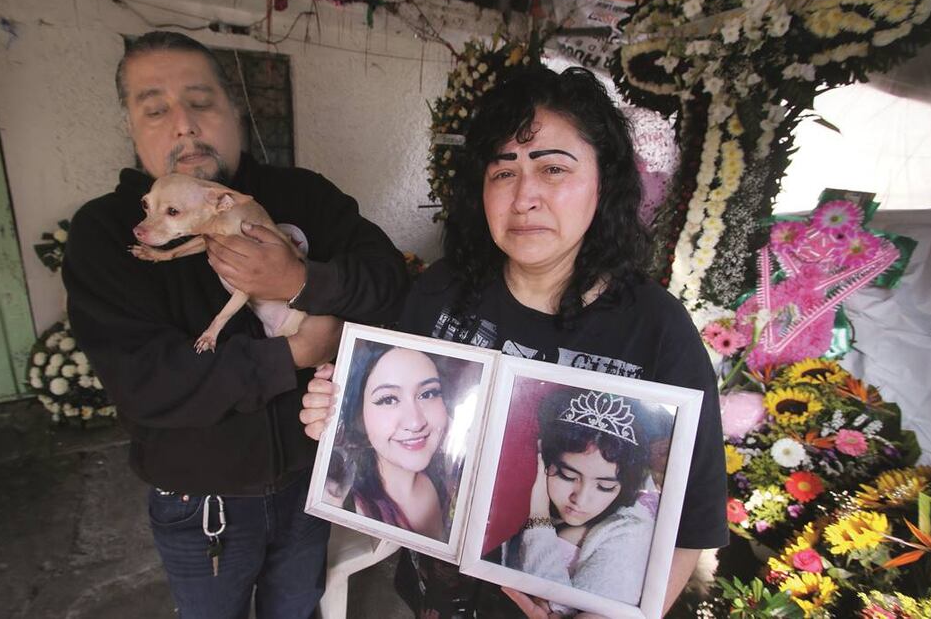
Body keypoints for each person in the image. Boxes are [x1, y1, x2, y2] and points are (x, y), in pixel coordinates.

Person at [299, 65, 727, 618]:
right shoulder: (441, 293)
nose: (524, 196)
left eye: (553, 169)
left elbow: (690, 522)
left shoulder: (657, 329)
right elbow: (390, 409)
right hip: (437, 593)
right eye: (503, 172)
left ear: (605, 182)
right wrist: (337, 411)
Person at [62, 30, 409, 619]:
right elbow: (145, 383)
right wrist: (296, 353)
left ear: (234, 112)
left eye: (201, 102)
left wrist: (301, 282)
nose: (184, 125)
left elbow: (390, 285)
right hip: (201, 504)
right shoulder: (106, 232)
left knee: (297, 609)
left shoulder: (303, 195)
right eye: (155, 108)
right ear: (130, 125)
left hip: (311, 482)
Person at [499, 388, 653, 609]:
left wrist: (539, 516)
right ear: (543, 459)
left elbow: (554, 609)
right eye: (567, 475)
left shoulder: (629, 536)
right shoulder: (515, 490)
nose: (580, 499)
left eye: (604, 486)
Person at [328, 341, 456, 541]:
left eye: (428, 393)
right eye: (388, 399)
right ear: (359, 415)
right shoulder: (342, 505)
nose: (415, 423)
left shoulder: (450, 478)